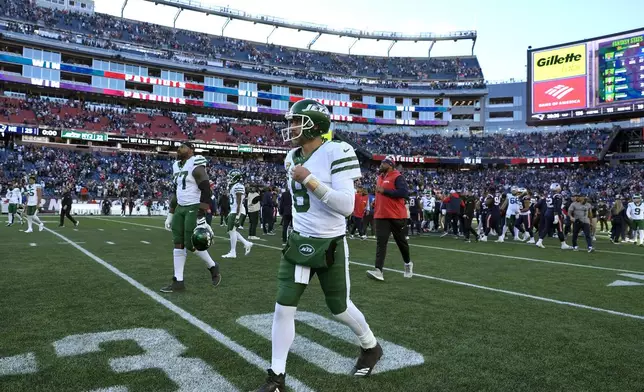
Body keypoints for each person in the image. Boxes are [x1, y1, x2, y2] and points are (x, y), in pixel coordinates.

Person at [257, 99, 382, 391]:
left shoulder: (338, 151)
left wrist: (311, 180)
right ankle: (276, 377)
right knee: (283, 308)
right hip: (299, 241)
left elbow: (347, 206)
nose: (291, 127)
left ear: (315, 124)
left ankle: (370, 346)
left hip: (330, 244)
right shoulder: (291, 157)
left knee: (338, 307)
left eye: (297, 121)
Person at [161, 142, 221, 293]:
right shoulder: (176, 165)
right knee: (178, 242)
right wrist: (170, 214)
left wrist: (201, 213)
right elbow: (178, 192)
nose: (180, 149)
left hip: (193, 207)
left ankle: (212, 266)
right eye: (179, 146)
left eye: (184, 146)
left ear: (191, 150)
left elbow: (206, 188)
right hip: (181, 207)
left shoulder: (195, 162)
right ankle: (178, 281)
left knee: (190, 243)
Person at [366, 156, 412, 281]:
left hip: (396, 216)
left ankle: (407, 263)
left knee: (401, 242)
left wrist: (384, 191)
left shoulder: (398, 176)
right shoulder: (379, 177)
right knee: (381, 243)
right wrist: (376, 201)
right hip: (381, 215)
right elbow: (381, 193)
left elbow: (403, 193)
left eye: (383, 163)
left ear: (390, 165)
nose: (381, 164)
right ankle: (378, 270)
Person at [222, 169, 253, 258]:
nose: (230, 179)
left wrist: (237, 213)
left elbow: (239, 200)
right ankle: (246, 243)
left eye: (231, 177)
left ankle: (233, 252)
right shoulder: (234, 185)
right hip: (234, 210)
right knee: (231, 230)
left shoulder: (238, 186)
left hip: (237, 210)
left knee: (231, 231)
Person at [536, 183, 571, 250]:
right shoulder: (557, 195)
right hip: (554, 213)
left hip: (548, 212)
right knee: (560, 229)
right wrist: (556, 215)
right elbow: (556, 206)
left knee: (546, 228)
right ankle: (563, 244)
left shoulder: (549, 195)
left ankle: (539, 241)